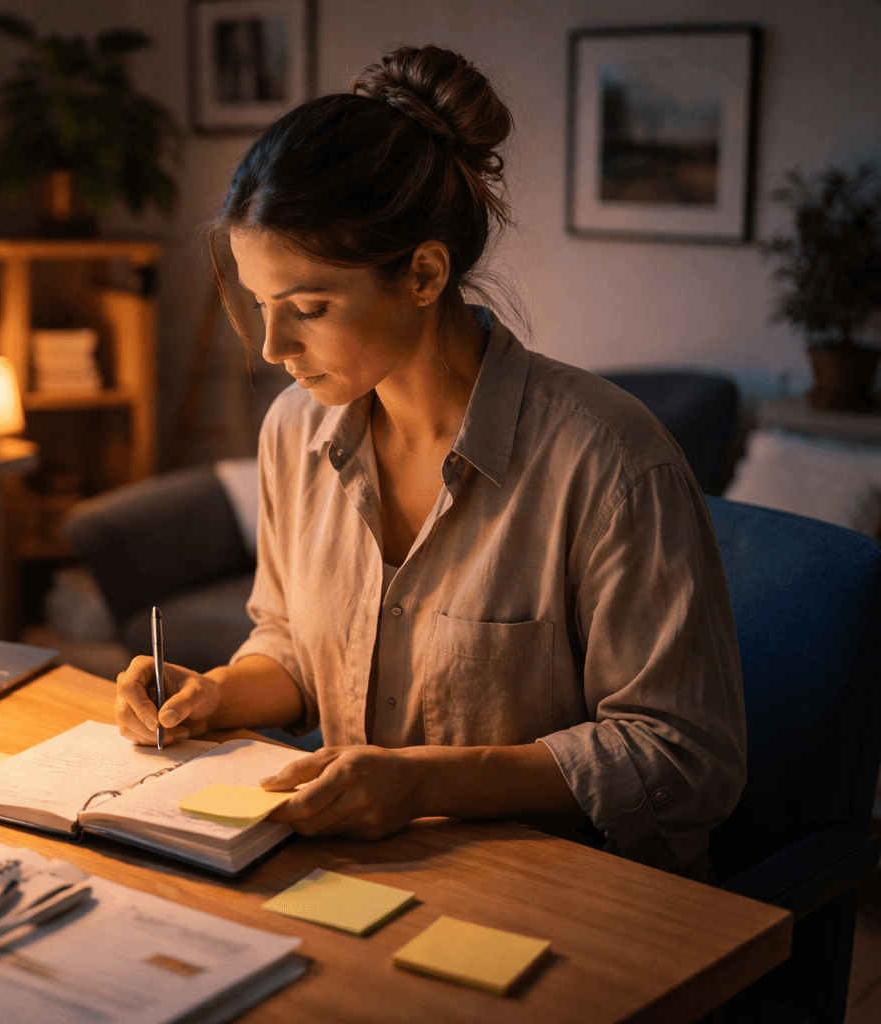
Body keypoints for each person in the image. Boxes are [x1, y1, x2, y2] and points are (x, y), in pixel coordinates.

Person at [112, 45, 746, 877]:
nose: (272, 347)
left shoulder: (611, 462)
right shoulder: (294, 434)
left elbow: (684, 758)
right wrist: (222, 693)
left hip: (566, 890)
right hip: (366, 873)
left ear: (422, 273)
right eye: (264, 306)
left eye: (308, 308)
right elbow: (296, 647)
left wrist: (421, 784)